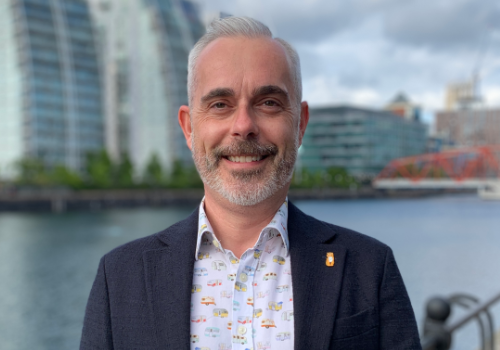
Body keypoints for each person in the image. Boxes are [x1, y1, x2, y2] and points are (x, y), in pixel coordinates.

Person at [81, 16, 421, 350]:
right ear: (188, 128)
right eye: (220, 105)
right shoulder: (119, 278)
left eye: (269, 103)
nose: (243, 125)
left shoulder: (370, 268)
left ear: (300, 125)